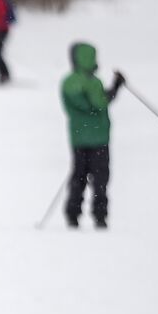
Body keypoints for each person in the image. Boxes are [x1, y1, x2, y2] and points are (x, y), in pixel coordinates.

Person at [61, 41, 124, 229]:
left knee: (78, 177)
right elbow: (100, 103)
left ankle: (73, 214)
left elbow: (85, 104)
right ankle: (100, 216)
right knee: (100, 179)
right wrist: (116, 87)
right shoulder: (93, 82)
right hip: (98, 139)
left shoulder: (68, 82)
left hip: (78, 139)